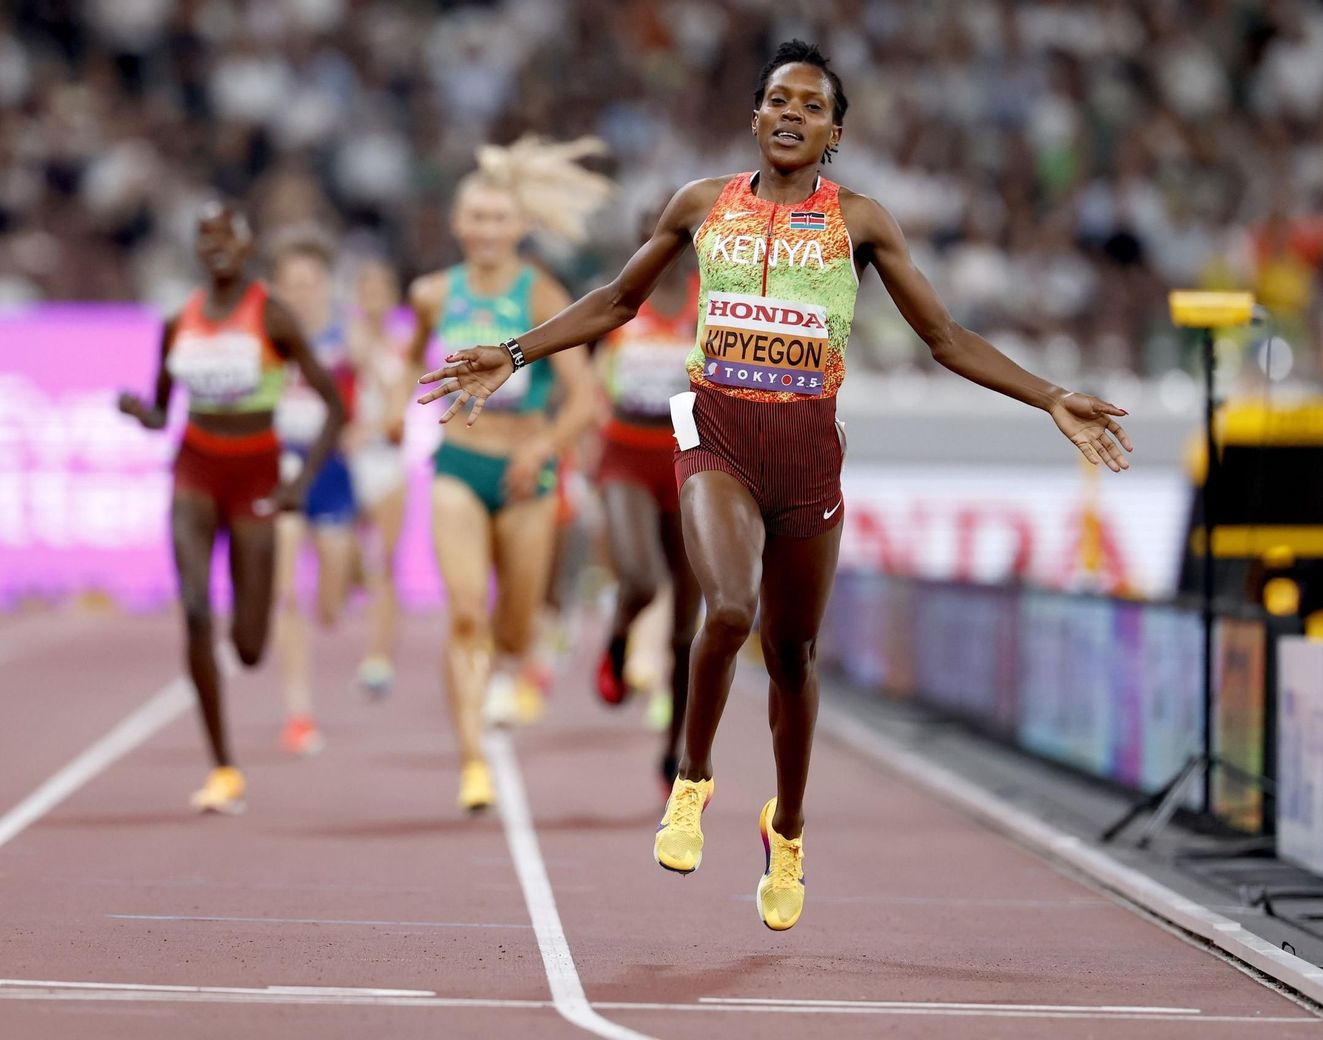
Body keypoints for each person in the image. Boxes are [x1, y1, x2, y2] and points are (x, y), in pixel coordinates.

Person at [419, 41, 1133, 929]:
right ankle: (691, 780)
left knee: (792, 657)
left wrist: (1051, 396)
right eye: (777, 101)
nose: (792, 115)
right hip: (714, 433)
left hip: (805, 459)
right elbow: (614, 301)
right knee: (727, 610)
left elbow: (944, 337)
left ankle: (786, 830)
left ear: (833, 133)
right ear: (754, 117)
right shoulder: (699, 206)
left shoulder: (861, 222)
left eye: (812, 106)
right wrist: (516, 350)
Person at [398, 136, 610, 813]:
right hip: (459, 464)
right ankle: (472, 764)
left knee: (513, 628)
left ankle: (522, 656)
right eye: (476, 218)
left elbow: (586, 398)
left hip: (525, 473)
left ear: (520, 228)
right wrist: (391, 412)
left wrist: (543, 444)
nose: (487, 231)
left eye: (499, 219)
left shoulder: (541, 292)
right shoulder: (432, 294)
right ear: (458, 226)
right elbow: (411, 366)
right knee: (464, 614)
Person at [119, 201, 346, 813]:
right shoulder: (178, 320)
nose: (215, 246)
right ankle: (222, 766)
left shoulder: (272, 316)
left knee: (248, 644)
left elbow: (334, 405)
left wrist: (302, 484)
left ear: (248, 247)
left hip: (257, 479)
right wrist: (139, 413)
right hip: (194, 471)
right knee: (194, 610)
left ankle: (247, 648)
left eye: (227, 236)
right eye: (204, 237)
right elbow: (163, 410)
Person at [592, 199, 703, 796]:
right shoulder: (617, 298)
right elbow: (586, 367)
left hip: (687, 459)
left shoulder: (708, 302)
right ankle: (616, 641)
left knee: (687, 627)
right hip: (624, 455)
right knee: (639, 578)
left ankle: (675, 749)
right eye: (650, 230)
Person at [268, 232, 360, 756]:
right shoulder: (264, 332)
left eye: (309, 282)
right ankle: (297, 711)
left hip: (332, 469)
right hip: (282, 466)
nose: (300, 292)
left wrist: (370, 426)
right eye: (290, 284)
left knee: (330, 601)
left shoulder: (347, 332)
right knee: (287, 594)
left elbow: (392, 379)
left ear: (325, 285)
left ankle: (348, 580)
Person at [345, 257, 411, 697]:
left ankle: (378, 656)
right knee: (348, 558)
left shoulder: (404, 342)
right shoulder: (348, 336)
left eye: (380, 292)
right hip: (348, 463)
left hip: (386, 460)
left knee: (384, 563)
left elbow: (399, 405)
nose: (372, 301)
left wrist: (371, 429)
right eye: (365, 292)